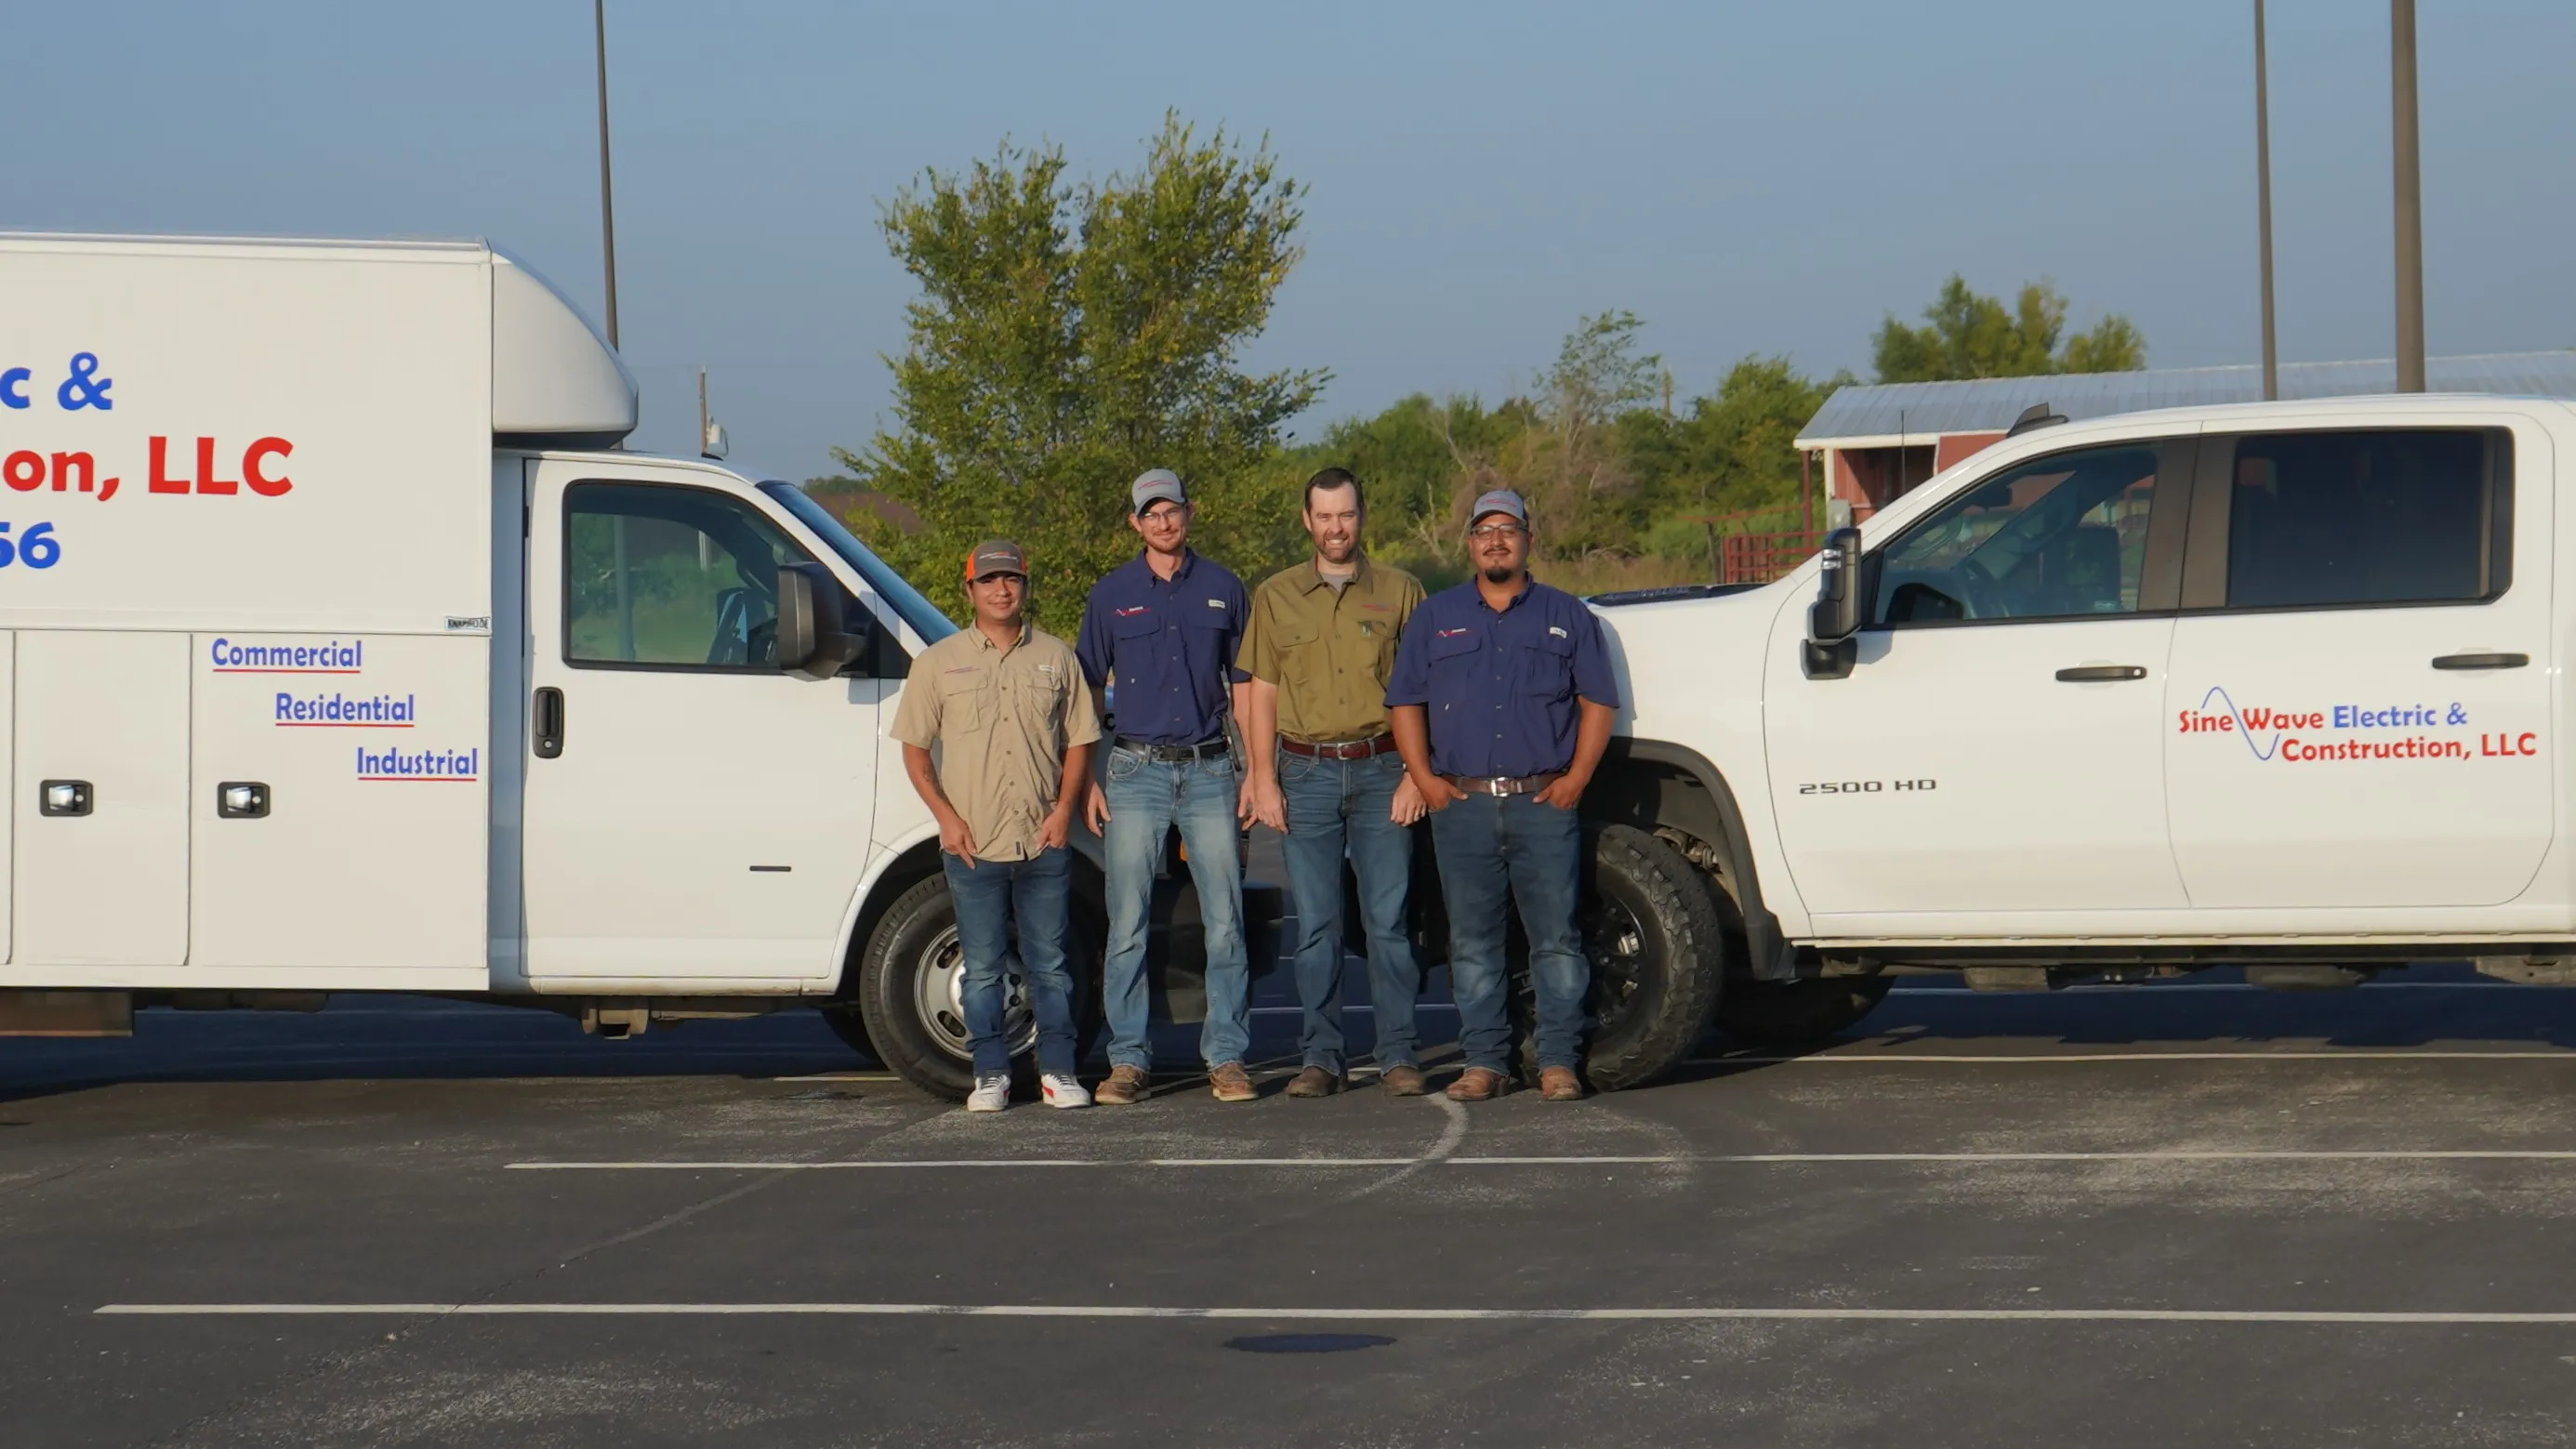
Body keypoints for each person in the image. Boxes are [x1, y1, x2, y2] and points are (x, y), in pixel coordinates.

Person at [1385, 488, 1617, 1103]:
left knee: (1557, 938)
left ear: (1527, 540)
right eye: (1484, 530)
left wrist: (1575, 780)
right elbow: (1404, 701)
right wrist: (1427, 780)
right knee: (1472, 941)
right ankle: (1485, 1059)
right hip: (1459, 807)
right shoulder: (1435, 618)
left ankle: (1558, 1060)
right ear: (1469, 543)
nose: (1495, 540)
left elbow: (1598, 703)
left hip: (1542, 804)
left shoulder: (1567, 615)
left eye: (1507, 530)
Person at [1238, 467, 1431, 1098]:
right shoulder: (1275, 595)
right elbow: (1261, 691)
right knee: (1317, 924)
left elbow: (1424, 689)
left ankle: (1398, 1053)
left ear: (1361, 516)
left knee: (1388, 920)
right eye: (1323, 516)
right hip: (1305, 771)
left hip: (1383, 771)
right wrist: (1262, 777)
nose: (1335, 527)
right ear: (1306, 521)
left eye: (1344, 514)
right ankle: (1321, 1056)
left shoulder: (1403, 591)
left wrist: (1415, 774)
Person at [890, 539, 1099, 1113]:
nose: (1001, 589)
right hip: (972, 844)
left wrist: (1062, 812)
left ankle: (1058, 1071)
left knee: (1049, 964)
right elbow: (914, 751)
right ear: (970, 591)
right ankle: (990, 1074)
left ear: (1025, 586)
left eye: (1011, 579)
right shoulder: (937, 662)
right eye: (988, 581)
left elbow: (1080, 739)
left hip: (1043, 839)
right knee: (981, 969)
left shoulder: (1056, 658)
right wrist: (947, 820)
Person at [1077, 469, 1256, 1104]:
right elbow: (1085, 691)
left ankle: (1227, 1057)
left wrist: (1255, 774)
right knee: (1126, 921)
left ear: (1188, 512)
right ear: (1134, 522)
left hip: (1210, 771)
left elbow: (1250, 686)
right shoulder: (1110, 594)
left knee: (1225, 921)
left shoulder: (1224, 589)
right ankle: (1127, 1060)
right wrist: (1091, 778)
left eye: (1171, 510)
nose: (1162, 522)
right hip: (1133, 772)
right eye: (1149, 513)